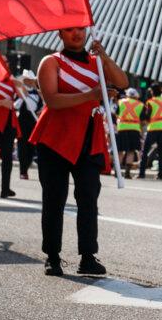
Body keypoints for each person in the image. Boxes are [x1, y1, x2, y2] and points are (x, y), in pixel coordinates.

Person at [31, 27, 128, 277]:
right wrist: (92, 95)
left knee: (88, 199)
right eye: (69, 30)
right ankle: (52, 256)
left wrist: (105, 57)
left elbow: (122, 82)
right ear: (60, 35)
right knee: (54, 199)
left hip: (89, 138)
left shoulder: (97, 62)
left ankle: (88, 256)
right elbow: (52, 100)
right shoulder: (51, 62)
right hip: (56, 139)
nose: (76, 34)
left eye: (80, 29)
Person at [140, 84, 162, 180]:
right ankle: (160, 175)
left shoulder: (151, 102)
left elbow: (147, 116)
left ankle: (142, 173)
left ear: (152, 91)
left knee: (145, 151)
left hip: (153, 129)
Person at [16, 71, 42, 180]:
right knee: (22, 146)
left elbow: (41, 106)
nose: (28, 82)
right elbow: (15, 105)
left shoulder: (37, 93)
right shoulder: (20, 92)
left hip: (33, 122)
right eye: (26, 80)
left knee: (31, 146)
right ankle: (23, 170)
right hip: (22, 121)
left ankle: (27, 165)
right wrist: (22, 97)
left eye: (30, 80)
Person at [114, 88, 144, 179]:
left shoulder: (121, 102)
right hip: (134, 129)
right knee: (130, 151)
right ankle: (127, 173)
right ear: (136, 96)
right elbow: (142, 120)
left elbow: (116, 114)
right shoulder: (140, 104)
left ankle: (116, 172)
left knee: (120, 151)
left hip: (122, 128)